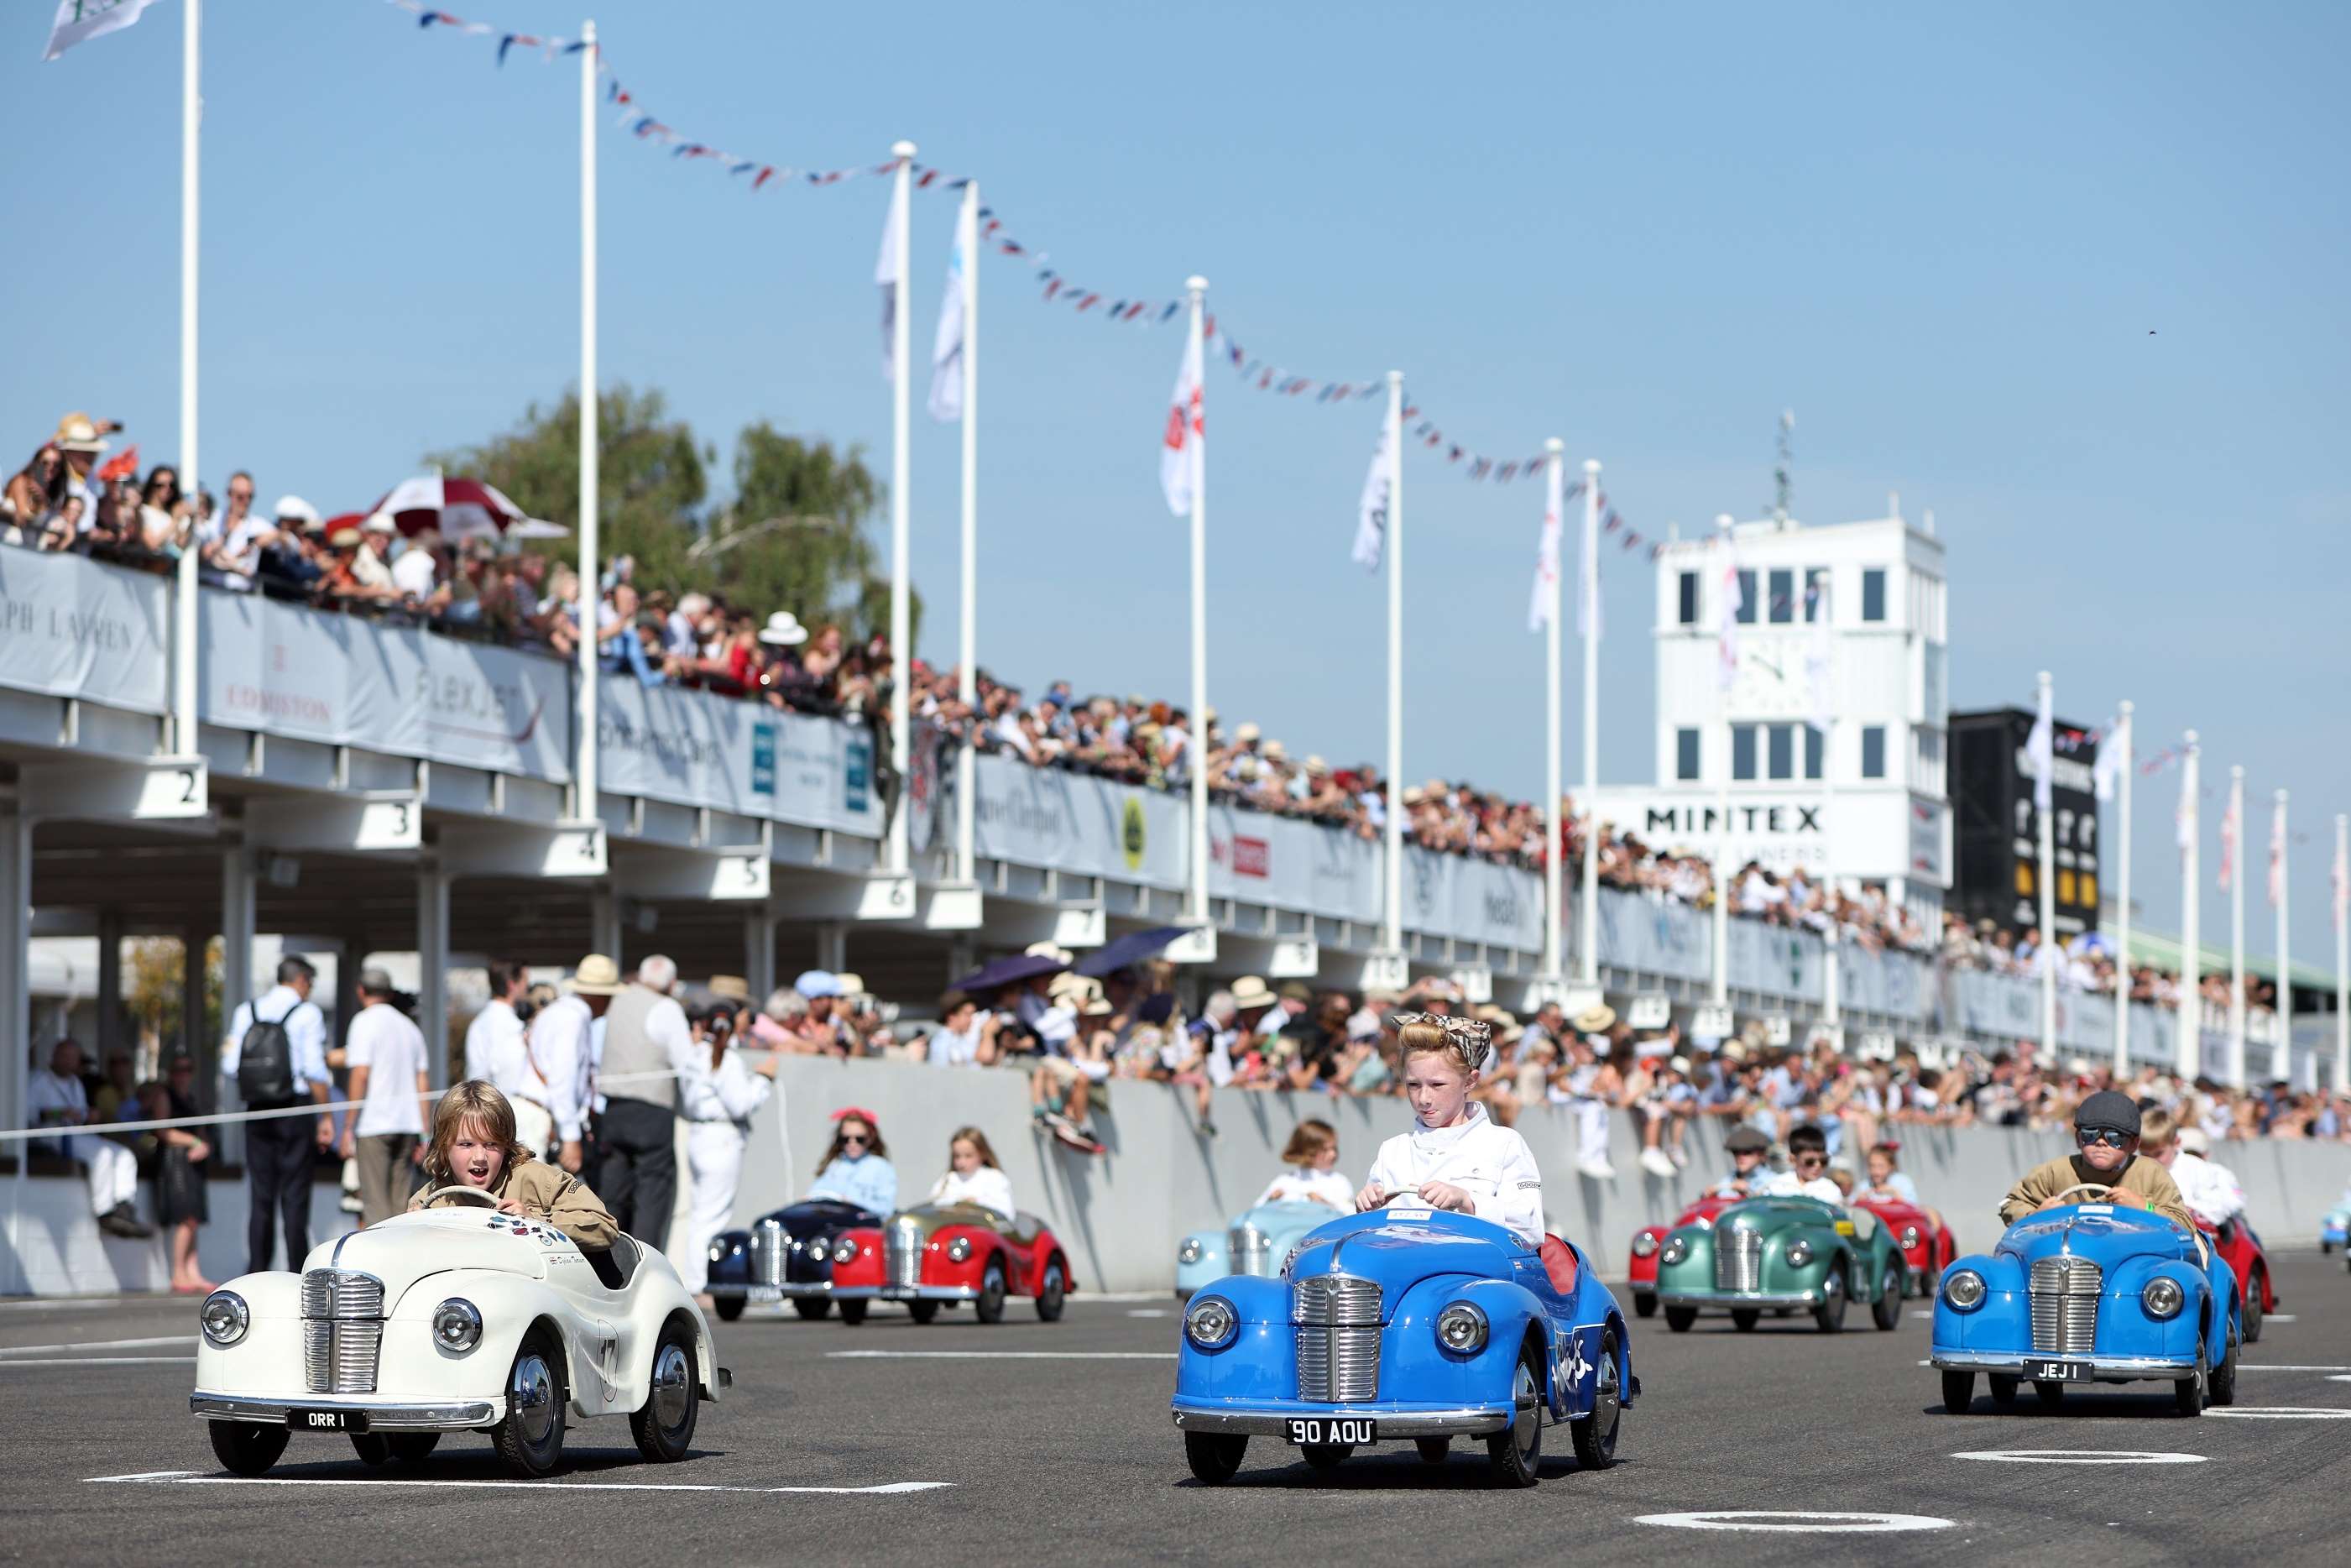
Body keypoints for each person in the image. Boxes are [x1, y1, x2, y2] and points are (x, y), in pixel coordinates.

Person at [1354, 1014, 1545, 1246]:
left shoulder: (1504, 1143)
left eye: (1437, 1085)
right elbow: (1373, 1238)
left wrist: (1468, 1201)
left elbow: (1531, 1231)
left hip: (1472, 1275)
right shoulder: (1392, 1149)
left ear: (1470, 1081)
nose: (1424, 1098)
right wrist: (1365, 1209)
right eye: (1413, 1085)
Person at [221, 956, 334, 1273]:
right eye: (310, 983)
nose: (309, 990)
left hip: (257, 1109)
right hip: (294, 1108)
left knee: (261, 1195)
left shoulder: (248, 1010)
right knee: (295, 1194)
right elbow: (314, 1069)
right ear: (300, 980)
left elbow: (229, 1066)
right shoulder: (307, 1013)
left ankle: (257, 1270)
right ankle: (297, 1272)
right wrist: (325, 1117)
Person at [406, 1081, 617, 1250]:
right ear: (444, 1147)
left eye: (491, 1144)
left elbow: (605, 1227)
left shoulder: (539, 1181)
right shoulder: (429, 1200)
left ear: (506, 1144)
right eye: (466, 1144)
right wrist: (413, 1231)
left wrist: (534, 1222)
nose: (480, 1157)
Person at [676, 1003, 777, 1301]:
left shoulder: (693, 1056)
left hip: (698, 1134)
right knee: (712, 1215)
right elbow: (741, 1103)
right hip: (721, 1137)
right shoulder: (727, 1059)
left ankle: (695, 1280)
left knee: (701, 1213)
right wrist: (764, 1080)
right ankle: (700, 1284)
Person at [594, 954, 695, 1249]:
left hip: (613, 1108)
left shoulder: (618, 1002)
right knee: (652, 1194)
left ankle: (604, 1260)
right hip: (651, 1109)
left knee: (612, 1193)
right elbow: (685, 1062)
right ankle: (645, 1264)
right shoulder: (666, 1008)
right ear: (672, 983)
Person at [1997, 1090, 2195, 1231]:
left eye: (2114, 1138)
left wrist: (2145, 1208)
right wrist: (2037, 1217)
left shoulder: (2150, 1173)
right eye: (2089, 1135)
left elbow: (2184, 1225)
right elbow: (2010, 1203)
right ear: (2077, 1139)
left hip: (2133, 1264)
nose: (2101, 1143)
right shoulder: (2055, 1172)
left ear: (2134, 1144)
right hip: (2068, 1264)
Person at [29, 1038, 152, 1239]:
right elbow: (29, 1114)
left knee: (124, 1154)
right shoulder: (38, 1080)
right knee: (103, 1155)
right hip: (50, 1136)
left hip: (77, 1134)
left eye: (73, 1058)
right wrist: (60, 1114)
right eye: (65, 1056)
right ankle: (104, 1213)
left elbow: (81, 1113)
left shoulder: (75, 1083)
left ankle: (123, 1207)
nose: (69, 1062)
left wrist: (89, 1115)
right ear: (54, 1056)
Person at [340, 967, 431, 1226]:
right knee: (401, 1206)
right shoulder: (409, 1027)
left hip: (374, 1124)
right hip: (407, 1125)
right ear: (389, 993)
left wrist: (348, 1126)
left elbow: (360, 1075)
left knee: (375, 1207)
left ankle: (379, 1265)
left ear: (361, 990)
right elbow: (422, 1081)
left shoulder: (363, 1022)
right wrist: (424, 1132)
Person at [524, 953, 621, 1173]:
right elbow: (562, 1079)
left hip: (541, 1115)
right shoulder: (573, 1020)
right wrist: (571, 1137)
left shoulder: (561, 1012)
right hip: (543, 1119)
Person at [141, 1062, 214, 1293]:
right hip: (175, 1163)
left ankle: (193, 1272)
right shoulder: (164, 1095)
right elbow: (162, 1130)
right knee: (185, 1218)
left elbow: (201, 1131)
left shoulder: (190, 1099)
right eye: (178, 1070)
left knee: (193, 1219)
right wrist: (193, 1142)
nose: (183, 1075)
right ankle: (178, 1273)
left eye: (187, 1070)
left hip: (193, 1163)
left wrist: (205, 1145)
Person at [2152, 1121, 2251, 1231]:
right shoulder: (2162, 1171)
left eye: (2195, 1154)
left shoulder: (2219, 1172)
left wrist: (2195, 1211)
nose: (2191, 1158)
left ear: (2205, 1154)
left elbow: (2235, 1203)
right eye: (2186, 1153)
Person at [807, 1108, 899, 1215]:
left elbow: (886, 1209)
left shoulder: (881, 1167)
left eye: (859, 1139)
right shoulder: (835, 1165)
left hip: (863, 1226)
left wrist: (853, 1202)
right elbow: (816, 1193)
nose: (852, 1143)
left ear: (870, 1138)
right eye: (846, 1139)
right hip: (832, 1225)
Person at [1253, 1119, 1352, 1210]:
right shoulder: (1284, 1182)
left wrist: (1326, 1206)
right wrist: (1271, 1201)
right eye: (1325, 1150)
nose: (1333, 1154)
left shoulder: (1338, 1182)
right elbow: (1256, 1212)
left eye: (1334, 1148)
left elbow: (1349, 1214)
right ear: (1308, 1150)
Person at [925, 1126, 1016, 1221]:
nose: (962, 1162)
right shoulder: (948, 1179)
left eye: (968, 1156)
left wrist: (975, 1204)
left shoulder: (995, 1178)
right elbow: (933, 1206)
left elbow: (1006, 1213)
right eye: (957, 1156)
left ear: (983, 1154)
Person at [462, 959, 530, 1088]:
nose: (527, 986)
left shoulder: (479, 1024)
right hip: (504, 1104)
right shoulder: (509, 1026)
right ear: (511, 985)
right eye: (524, 980)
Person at [1760, 1124, 1844, 1202]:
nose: (1818, 1165)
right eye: (1810, 1162)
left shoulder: (1830, 1190)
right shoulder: (1777, 1186)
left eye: (1823, 1161)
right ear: (1792, 1159)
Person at [1706, 1125, 1778, 1200]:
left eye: (1747, 1152)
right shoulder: (1729, 1179)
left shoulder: (1774, 1180)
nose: (1740, 1157)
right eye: (1736, 1152)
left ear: (1762, 1155)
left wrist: (1748, 1192)